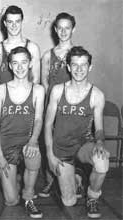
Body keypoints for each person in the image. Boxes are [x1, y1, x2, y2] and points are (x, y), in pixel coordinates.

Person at [45, 46, 109, 218]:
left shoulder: (97, 95)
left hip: (83, 144)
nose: (79, 69)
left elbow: (100, 128)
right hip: (61, 148)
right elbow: (47, 124)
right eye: (74, 65)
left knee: (102, 162)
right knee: (69, 201)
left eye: (83, 65)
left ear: (90, 67)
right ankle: (76, 177)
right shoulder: (58, 91)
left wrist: (100, 142)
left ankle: (92, 197)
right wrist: (50, 155)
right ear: (68, 66)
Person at [0, 46, 45, 218]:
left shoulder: (38, 90)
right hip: (6, 146)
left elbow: (38, 120)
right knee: (11, 200)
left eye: (24, 62)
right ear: (9, 65)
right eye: (15, 63)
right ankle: (13, 180)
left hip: (26, 143)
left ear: (30, 64)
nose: (20, 67)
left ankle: (29, 196)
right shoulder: (0, 90)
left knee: (34, 155)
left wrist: (33, 140)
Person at [39, 12, 76, 198]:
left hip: (71, 107)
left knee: (70, 143)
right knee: (49, 142)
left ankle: (73, 180)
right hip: (52, 106)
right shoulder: (48, 55)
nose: (63, 31)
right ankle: (49, 182)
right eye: (59, 27)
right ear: (55, 30)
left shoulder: (77, 54)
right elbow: (45, 82)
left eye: (67, 27)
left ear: (73, 29)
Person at [0, 5, 40, 86]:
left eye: (17, 21)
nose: (14, 25)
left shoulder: (32, 48)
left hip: (27, 96)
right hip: (5, 97)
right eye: (10, 22)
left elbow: (36, 79)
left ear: (22, 22)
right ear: (5, 23)